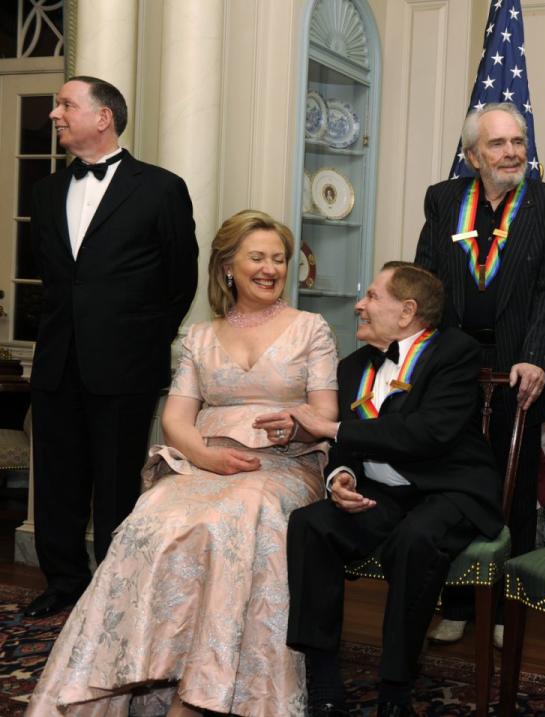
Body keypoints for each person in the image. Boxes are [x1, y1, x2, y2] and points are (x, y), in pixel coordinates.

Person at [27, 210, 339, 716]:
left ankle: (202, 695)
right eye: (256, 257)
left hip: (282, 466)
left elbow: (325, 414)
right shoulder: (199, 335)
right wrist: (206, 458)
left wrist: (299, 426)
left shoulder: (311, 329)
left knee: (233, 520)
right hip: (206, 462)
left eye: (278, 259)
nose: (270, 268)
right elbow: (176, 419)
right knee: (150, 518)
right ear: (227, 269)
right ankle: (131, 672)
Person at [284, 262, 502, 717]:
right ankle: (322, 680)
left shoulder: (455, 352)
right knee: (311, 524)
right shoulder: (350, 367)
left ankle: (395, 687)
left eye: (372, 297)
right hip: (382, 493)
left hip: (450, 489)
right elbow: (345, 448)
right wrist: (339, 478)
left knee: (416, 539)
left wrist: (333, 429)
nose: (359, 304)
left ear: (407, 311)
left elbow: (428, 433)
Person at [26, 76, 198, 618]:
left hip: (125, 364)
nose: (55, 114)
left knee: (118, 479)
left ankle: (118, 589)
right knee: (57, 480)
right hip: (57, 360)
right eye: (57, 105)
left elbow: (181, 280)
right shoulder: (46, 190)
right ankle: (63, 583)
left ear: (104, 117)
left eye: (66, 105)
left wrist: (142, 338)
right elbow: (54, 279)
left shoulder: (161, 188)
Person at [414, 102, 545, 645]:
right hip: (456, 368)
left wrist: (534, 355)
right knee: (455, 483)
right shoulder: (443, 200)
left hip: (521, 369)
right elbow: (425, 284)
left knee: (515, 487)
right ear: (472, 155)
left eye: (518, 142)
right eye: (497, 144)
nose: (511, 152)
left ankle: (507, 609)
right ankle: (457, 601)